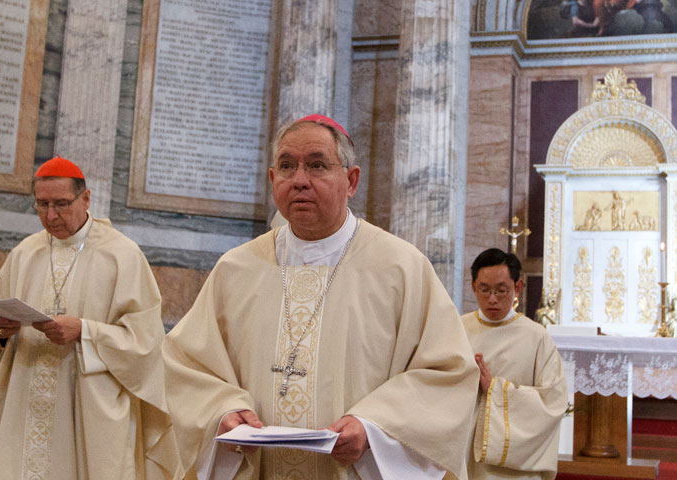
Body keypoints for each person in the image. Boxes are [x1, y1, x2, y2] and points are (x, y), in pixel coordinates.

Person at [163, 114, 479, 479]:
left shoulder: (400, 268)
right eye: (286, 166)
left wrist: (373, 428)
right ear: (272, 180)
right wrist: (223, 412)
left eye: (317, 165)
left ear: (351, 180)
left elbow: (447, 374)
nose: (299, 181)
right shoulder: (236, 269)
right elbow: (186, 364)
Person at [0, 156, 178, 480]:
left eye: (62, 204)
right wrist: (0, 331)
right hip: (23, 403)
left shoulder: (122, 256)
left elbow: (145, 343)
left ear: (86, 198)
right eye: (42, 205)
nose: (51, 215)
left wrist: (84, 331)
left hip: (89, 411)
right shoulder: (25, 253)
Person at [462, 248, 567, 480]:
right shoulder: (457, 329)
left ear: (518, 287)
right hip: (463, 457)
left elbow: (554, 402)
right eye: (484, 289)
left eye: (501, 290)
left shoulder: (537, 337)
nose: (492, 299)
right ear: (473, 287)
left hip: (513, 470)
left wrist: (495, 390)